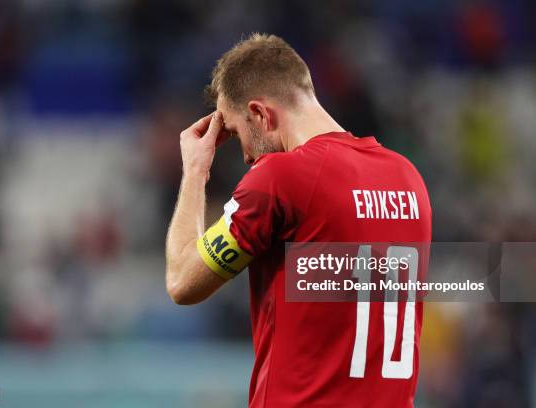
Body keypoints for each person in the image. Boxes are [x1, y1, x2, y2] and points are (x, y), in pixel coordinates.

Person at [165, 33, 431, 407]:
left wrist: (195, 170)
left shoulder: (281, 177)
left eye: (237, 132)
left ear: (260, 114)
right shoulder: (408, 179)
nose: (243, 156)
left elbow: (182, 281)